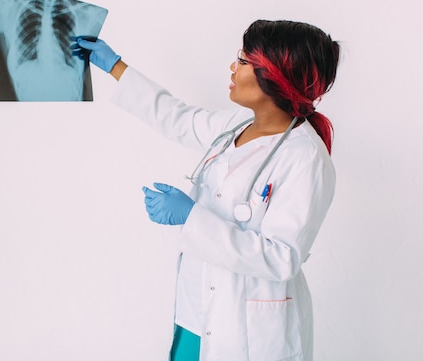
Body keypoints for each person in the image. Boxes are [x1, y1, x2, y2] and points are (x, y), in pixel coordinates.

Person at [73, 19, 341, 361]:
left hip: (247, 332)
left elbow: (281, 258)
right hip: (196, 314)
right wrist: (115, 67)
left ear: (274, 76)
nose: (233, 66)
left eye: (243, 61)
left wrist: (191, 216)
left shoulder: (305, 158)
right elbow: (178, 118)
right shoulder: (235, 126)